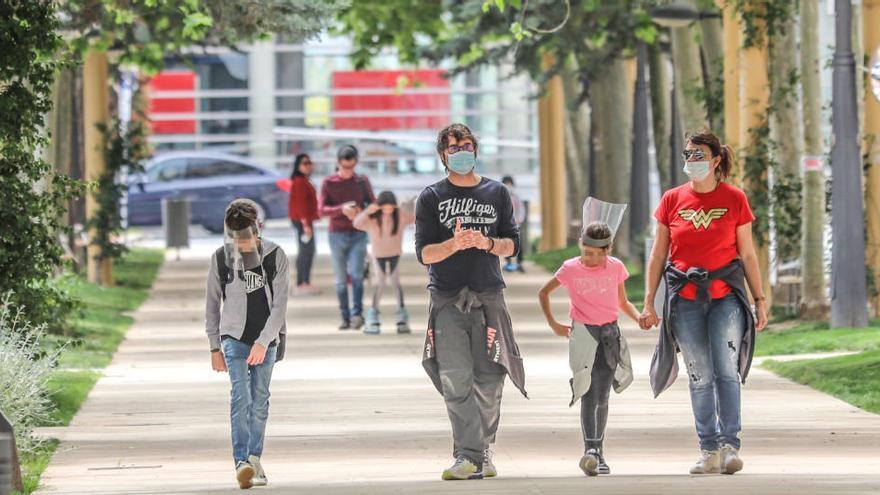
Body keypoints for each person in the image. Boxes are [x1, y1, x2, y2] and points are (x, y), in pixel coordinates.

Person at [640, 131, 768, 475]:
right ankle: (708, 448)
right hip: (684, 299)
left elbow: (748, 253)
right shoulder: (671, 199)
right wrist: (649, 302)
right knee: (699, 374)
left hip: (725, 296)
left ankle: (730, 446)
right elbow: (657, 255)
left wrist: (760, 299)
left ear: (715, 161)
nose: (692, 161)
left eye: (699, 155)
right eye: (688, 154)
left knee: (726, 369)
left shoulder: (735, 199)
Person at [416, 123, 525, 481]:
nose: (459, 151)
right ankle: (467, 454)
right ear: (442, 156)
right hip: (446, 298)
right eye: (451, 147)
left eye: (465, 145)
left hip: (488, 294)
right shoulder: (430, 197)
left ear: (475, 149)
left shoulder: (497, 193)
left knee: (490, 376)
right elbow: (424, 254)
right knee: (454, 377)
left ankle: (483, 449)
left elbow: (512, 244)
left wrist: (487, 243)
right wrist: (454, 244)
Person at [537, 220, 640, 477]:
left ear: (608, 250)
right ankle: (590, 450)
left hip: (609, 334)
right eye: (586, 252)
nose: (590, 258)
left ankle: (599, 452)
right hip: (582, 334)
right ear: (580, 245)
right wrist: (554, 324)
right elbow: (544, 293)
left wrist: (639, 319)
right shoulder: (570, 268)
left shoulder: (615, 267)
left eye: (596, 253)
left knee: (603, 394)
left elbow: (623, 301)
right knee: (587, 391)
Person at [205, 199, 289, 489]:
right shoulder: (221, 258)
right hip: (233, 338)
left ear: (258, 230)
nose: (242, 244)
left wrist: (264, 342)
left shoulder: (275, 256)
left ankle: (254, 459)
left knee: (260, 401)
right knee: (240, 398)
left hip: (266, 338)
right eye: (236, 238)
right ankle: (241, 462)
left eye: (247, 237)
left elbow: (279, 307)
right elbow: (213, 304)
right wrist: (215, 347)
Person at [319, 145, 375, 330]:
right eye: (344, 168)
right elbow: (321, 210)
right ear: (338, 163)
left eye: (351, 167)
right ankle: (344, 316)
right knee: (341, 279)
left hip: (358, 234)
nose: (348, 172)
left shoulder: (361, 181)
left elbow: (373, 205)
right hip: (337, 234)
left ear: (356, 163)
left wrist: (361, 212)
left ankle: (356, 315)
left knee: (358, 276)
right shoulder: (329, 182)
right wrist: (341, 209)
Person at [353, 190, 415, 335]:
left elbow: (416, 218)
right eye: (384, 206)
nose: (388, 209)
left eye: (391, 206)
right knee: (380, 284)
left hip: (395, 254)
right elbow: (356, 223)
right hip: (378, 256)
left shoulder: (400, 216)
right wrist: (368, 211)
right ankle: (372, 316)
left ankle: (402, 316)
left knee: (395, 283)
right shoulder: (372, 218)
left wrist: (408, 206)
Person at [287, 153, 320, 296]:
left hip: (303, 220)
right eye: (304, 163)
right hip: (303, 221)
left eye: (309, 163)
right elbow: (301, 205)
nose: (308, 166)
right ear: (298, 166)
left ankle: (304, 281)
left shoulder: (303, 180)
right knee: (307, 251)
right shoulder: (300, 182)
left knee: (307, 250)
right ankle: (302, 283)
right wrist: (306, 223)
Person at [501, 175, 526, 273]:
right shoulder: (500, 197)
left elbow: (521, 210)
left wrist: (519, 219)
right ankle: (509, 263)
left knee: (519, 244)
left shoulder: (516, 197)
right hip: (505, 225)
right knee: (506, 244)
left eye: (509, 183)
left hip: (516, 224)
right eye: (506, 183)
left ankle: (519, 263)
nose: (508, 185)